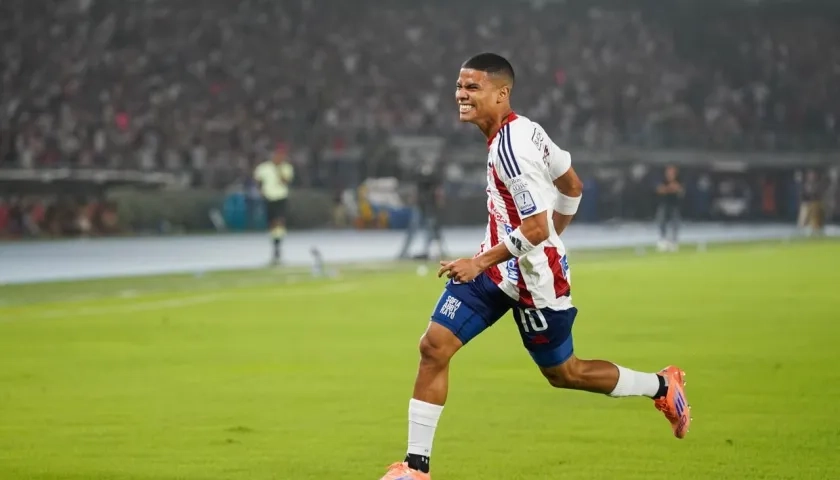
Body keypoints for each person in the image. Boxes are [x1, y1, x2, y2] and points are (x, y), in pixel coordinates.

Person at [379, 53, 691, 480]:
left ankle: (662, 385)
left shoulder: (511, 150)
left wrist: (486, 258)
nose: (461, 95)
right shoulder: (528, 130)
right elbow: (572, 185)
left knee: (565, 373)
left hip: (535, 281)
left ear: (501, 94)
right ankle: (416, 469)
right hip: (497, 269)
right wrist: (536, 239)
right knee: (433, 347)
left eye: (473, 88)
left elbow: (538, 226)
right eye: (459, 85)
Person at [253, 147, 294, 264]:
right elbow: (258, 180)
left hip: (281, 197)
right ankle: (275, 243)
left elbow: (285, 182)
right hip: (269, 197)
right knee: (271, 223)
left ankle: (278, 247)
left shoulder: (286, 167)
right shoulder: (263, 168)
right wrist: (260, 191)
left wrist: (279, 170)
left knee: (279, 221)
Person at [655, 165, 684, 252]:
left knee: (675, 223)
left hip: (674, 205)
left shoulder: (679, 180)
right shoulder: (662, 180)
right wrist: (670, 188)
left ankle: (674, 241)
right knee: (661, 221)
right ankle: (663, 240)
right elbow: (660, 190)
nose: (670, 174)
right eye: (669, 172)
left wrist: (669, 188)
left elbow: (679, 189)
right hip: (664, 204)